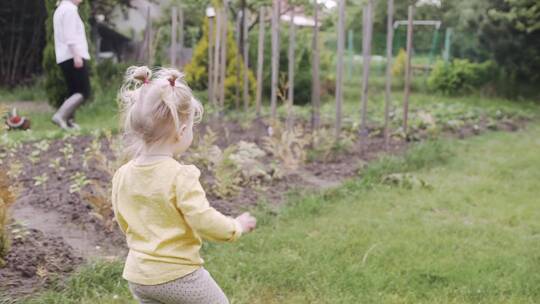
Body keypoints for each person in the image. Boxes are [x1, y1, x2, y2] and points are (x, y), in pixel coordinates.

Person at [111, 66, 257, 304]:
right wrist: (235, 227)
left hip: (139, 277)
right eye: (192, 127)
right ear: (181, 131)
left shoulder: (122, 174)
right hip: (178, 276)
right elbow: (202, 219)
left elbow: (123, 219)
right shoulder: (180, 176)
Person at [52, 0, 91, 130]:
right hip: (73, 55)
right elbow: (70, 36)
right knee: (83, 91)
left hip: (65, 56)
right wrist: (77, 56)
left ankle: (69, 121)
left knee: (73, 91)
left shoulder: (60, 9)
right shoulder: (69, 10)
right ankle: (61, 116)